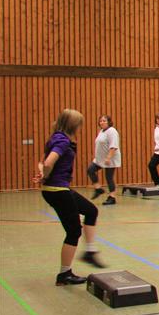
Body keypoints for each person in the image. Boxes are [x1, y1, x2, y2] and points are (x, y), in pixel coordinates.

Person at [33, 109, 107, 286]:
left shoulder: (55, 137)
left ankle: (90, 252)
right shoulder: (63, 141)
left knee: (91, 211)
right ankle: (64, 274)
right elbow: (49, 162)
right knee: (73, 231)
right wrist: (45, 176)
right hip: (57, 190)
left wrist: (42, 174)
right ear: (73, 125)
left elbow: (42, 162)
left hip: (57, 188)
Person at [87, 114, 120, 205]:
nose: (102, 122)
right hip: (100, 159)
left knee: (109, 177)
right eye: (101, 121)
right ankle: (98, 189)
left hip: (110, 158)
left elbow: (114, 145)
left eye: (104, 121)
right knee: (90, 169)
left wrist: (108, 157)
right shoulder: (101, 131)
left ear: (109, 122)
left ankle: (112, 197)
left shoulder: (112, 131)